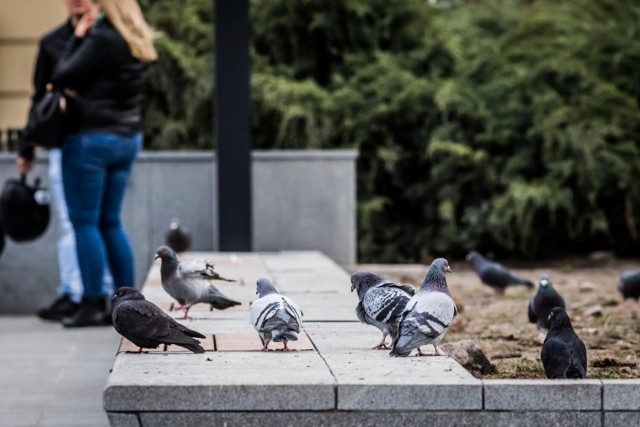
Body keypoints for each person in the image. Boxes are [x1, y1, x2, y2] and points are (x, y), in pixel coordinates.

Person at [52, 0, 157, 327]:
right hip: (127, 139)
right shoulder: (137, 38)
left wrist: (78, 37)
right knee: (110, 221)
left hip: (91, 140)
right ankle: (128, 302)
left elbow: (62, 74)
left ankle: (92, 303)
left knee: (85, 222)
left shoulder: (102, 37)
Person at [17, 0, 113, 322]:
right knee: (72, 223)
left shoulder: (110, 37)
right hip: (66, 141)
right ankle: (75, 291)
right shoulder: (52, 42)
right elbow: (38, 97)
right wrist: (27, 147)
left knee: (101, 222)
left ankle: (101, 292)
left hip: (101, 140)